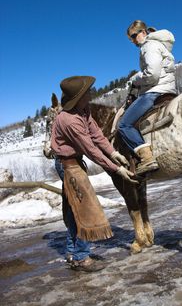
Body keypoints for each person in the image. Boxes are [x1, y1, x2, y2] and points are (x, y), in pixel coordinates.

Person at [51, 75, 136, 272]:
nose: (90, 94)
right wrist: (116, 169)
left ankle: (73, 252)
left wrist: (114, 153)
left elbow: (97, 135)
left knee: (74, 210)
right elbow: (91, 150)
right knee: (85, 208)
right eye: (87, 92)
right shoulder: (69, 120)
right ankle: (81, 258)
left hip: (74, 162)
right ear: (78, 96)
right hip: (67, 165)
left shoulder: (83, 110)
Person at [118, 20, 176, 176]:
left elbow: (152, 74)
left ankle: (147, 159)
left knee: (124, 125)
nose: (133, 41)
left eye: (134, 36)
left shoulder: (149, 46)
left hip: (155, 91)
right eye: (131, 38)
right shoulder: (159, 45)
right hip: (168, 88)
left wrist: (136, 80)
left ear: (143, 32)